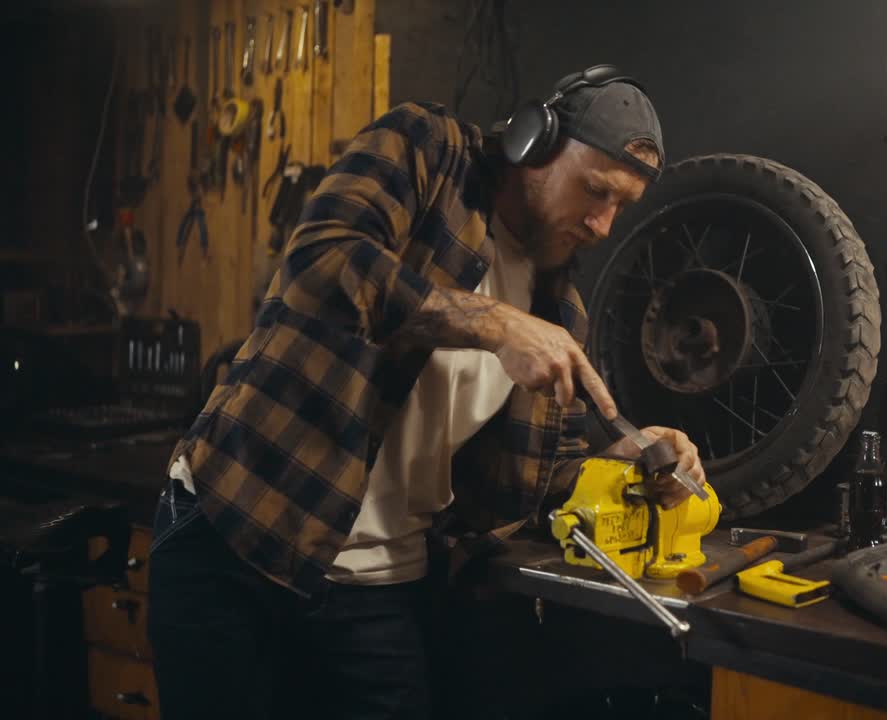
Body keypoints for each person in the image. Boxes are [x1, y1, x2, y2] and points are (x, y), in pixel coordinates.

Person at [147, 64, 707, 719]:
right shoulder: (427, 153)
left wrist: (629, 463)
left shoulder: (560, 311)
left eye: (621, 207)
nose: (603, 224)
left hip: (379, 591)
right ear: (535, 145)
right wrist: (493, 324)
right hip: (240, 539)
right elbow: (322, 264)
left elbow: (530, 476)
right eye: (595, 191)